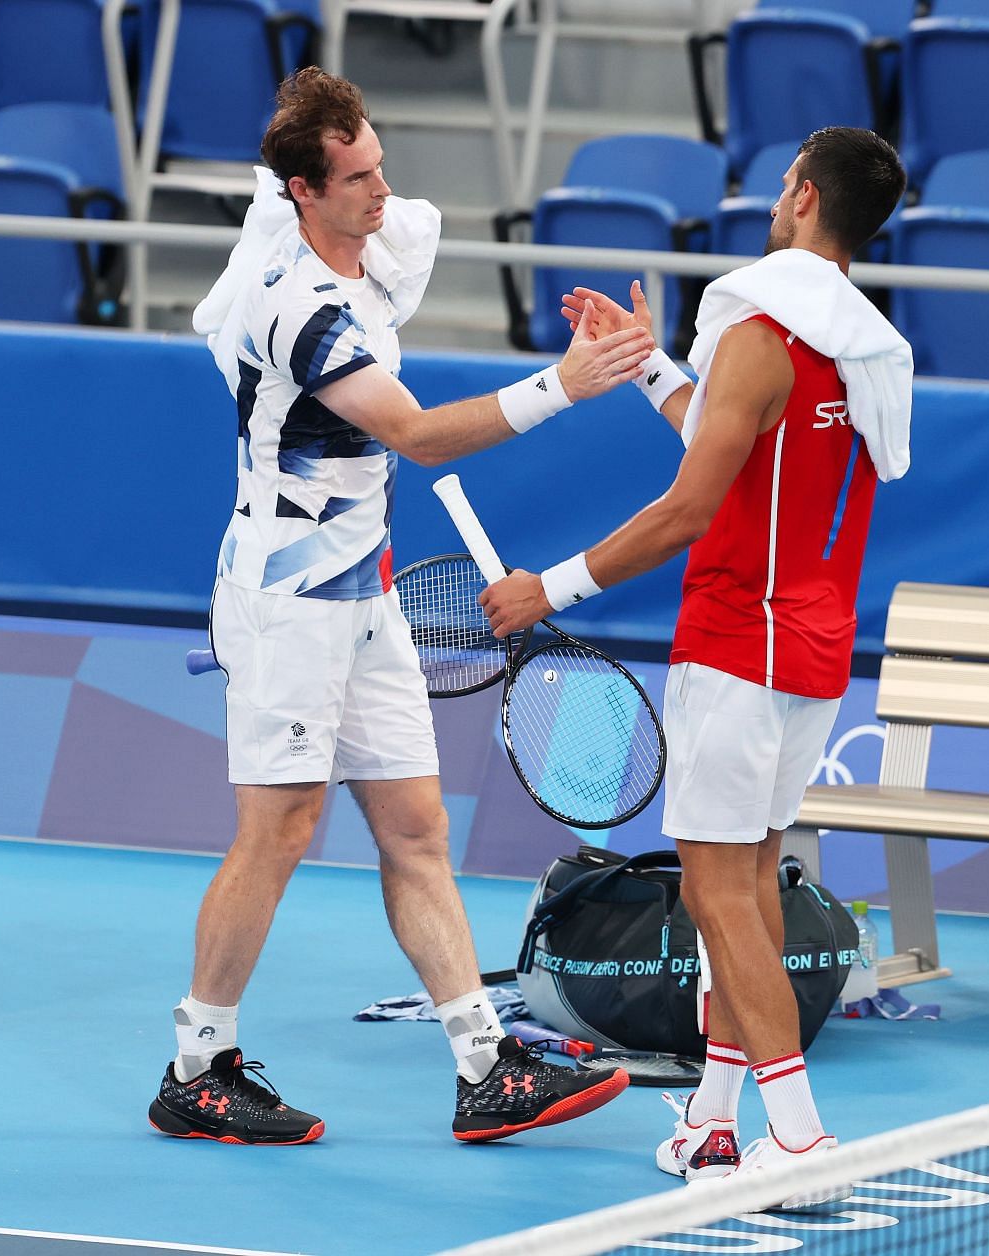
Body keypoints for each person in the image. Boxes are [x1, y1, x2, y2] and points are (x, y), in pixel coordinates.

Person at [147, 68, 654, 1147]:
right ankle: (199, 1064)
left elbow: (383, 222)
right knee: (278, 830)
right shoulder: (298, 308)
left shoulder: (379, 243)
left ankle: (486, 1064)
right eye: (358, 177)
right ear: (301, 192)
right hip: (286, 596)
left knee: (418, 827)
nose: (382, 190)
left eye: (382, 166)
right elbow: (415, 434)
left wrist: (598, 333)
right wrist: (566, 382)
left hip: (367, 588)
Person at [478, 126, 912, 1205]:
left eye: (781, 183)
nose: (774, 196)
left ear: (803, 197)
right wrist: (651, 365)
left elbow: (688, 506)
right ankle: (716, 1123)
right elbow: (731, 436)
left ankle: (803, 1138)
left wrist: (552, 587)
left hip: (735, 646)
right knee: (751, 879)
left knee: (718, 892)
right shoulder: (852, 347)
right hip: (812, 652)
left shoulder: (765, 332)